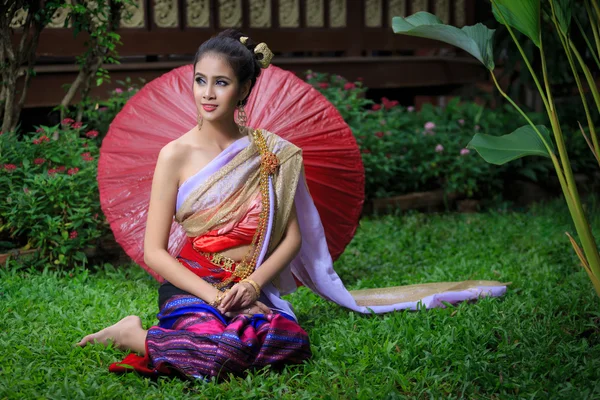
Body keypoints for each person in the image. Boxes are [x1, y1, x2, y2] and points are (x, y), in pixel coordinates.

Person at [77, 29, 508, 381]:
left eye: (221, 83)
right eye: (200, 80)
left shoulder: (274, 153)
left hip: (248, 283)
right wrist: (214, 295)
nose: (207, 94)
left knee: (290, 342)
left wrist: (250, 288)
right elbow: (155, 251)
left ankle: (170, 333)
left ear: (244, 88)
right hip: (193, 283)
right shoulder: (174, 154)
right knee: (214, 355)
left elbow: (293, 239)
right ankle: (132, 334)